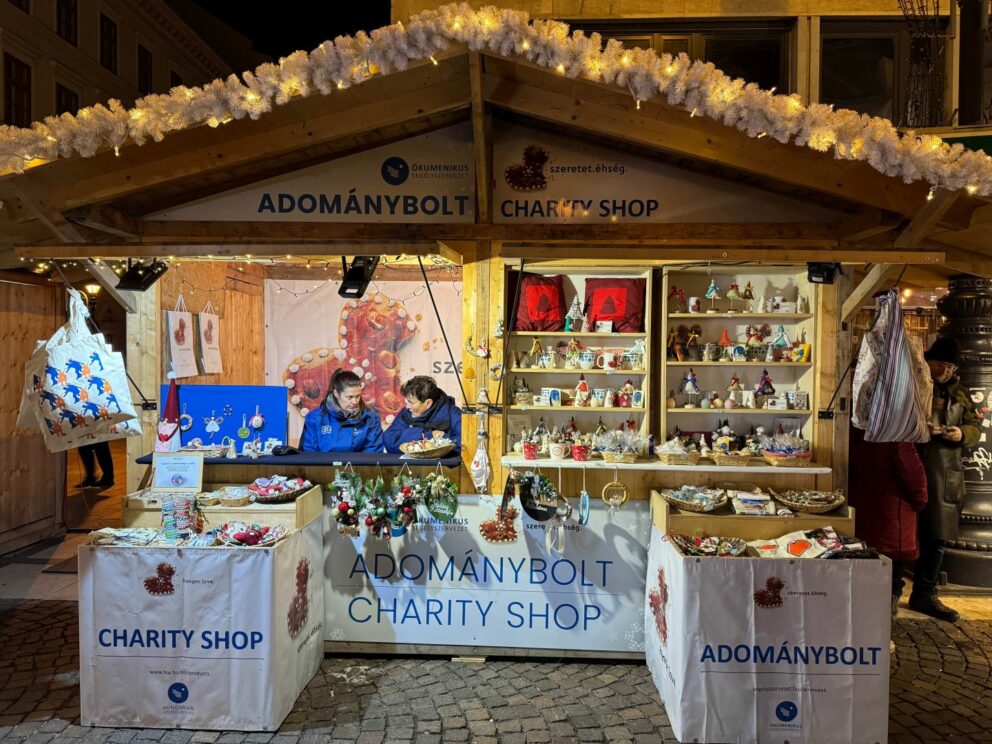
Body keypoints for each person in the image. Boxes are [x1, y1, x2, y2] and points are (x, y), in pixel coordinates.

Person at [914, 337, 980, 622]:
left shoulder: (959, 392)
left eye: (951, 366)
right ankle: (891, 590)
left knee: (936, 536)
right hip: (916, 462)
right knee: (905, 533)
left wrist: (962, 434)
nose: (945, 371)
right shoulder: (914, 386)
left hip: (945, 469)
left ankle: (925, 594)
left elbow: (974, 425)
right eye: (940, 364)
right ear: (927, 361)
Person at [848, 425, 928, 617]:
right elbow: (914, 476)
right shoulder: (897, 434)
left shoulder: (854, 430)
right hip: (893, 517)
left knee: (864, 574)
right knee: (891, 576)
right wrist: (921, 501)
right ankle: (884, 620)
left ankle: (863, 617)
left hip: (860, 513)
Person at [299, 370, 384, 453]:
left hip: (358, 467)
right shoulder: (315, 418)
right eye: (349, 397)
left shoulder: (371, 418)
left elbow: (372, 456)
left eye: (357, 396)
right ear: (336, 393)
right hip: (323, 467)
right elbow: (308, 456)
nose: (355, 402)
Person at [384, 376, 462, 454]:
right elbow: (389, 441)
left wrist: (442, 440)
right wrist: (426, 435)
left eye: (411, 402)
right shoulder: (407, 412)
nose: (407, 406)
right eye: (406, 401)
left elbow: (464, 443)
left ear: (428, 403)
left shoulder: (453, 413)